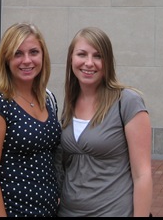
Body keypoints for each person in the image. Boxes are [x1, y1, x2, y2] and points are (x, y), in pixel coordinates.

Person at [57, 27, 153, 217]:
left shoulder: (127, 102)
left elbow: (142, 174)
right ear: (71, 59)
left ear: (107, 61)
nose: (89, 63)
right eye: (82, 54)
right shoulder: (70, 104)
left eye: (98, 56)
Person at [0, 22, 62, 217]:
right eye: (18, 54)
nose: (27, 60)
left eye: (34, 52)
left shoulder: (47, 99)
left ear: (43, 56)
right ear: (6, 59)